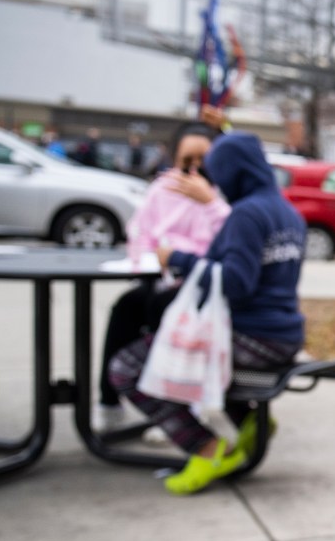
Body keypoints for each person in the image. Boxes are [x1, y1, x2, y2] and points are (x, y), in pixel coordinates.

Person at [108, 132, 307, 495]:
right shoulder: (286, 211)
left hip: (250, 336)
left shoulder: (247, 214)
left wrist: (177, 260)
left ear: (234, 172)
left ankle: (206, 447)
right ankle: (245, 422)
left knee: (127, 368)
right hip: (284, 334)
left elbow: (234, 283)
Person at [96, 122, 230, 427]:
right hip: (157, 276)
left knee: (163, 310)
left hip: (203, 283)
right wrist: (146, 261)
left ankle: (173, 411)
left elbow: (228, 243)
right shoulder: (161, 189)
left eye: (203, 159)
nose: (195, 168)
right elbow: (139, 233)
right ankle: (108, 400)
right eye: (188, 159)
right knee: (127, 308)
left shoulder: (223, 195)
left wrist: (210, 202)